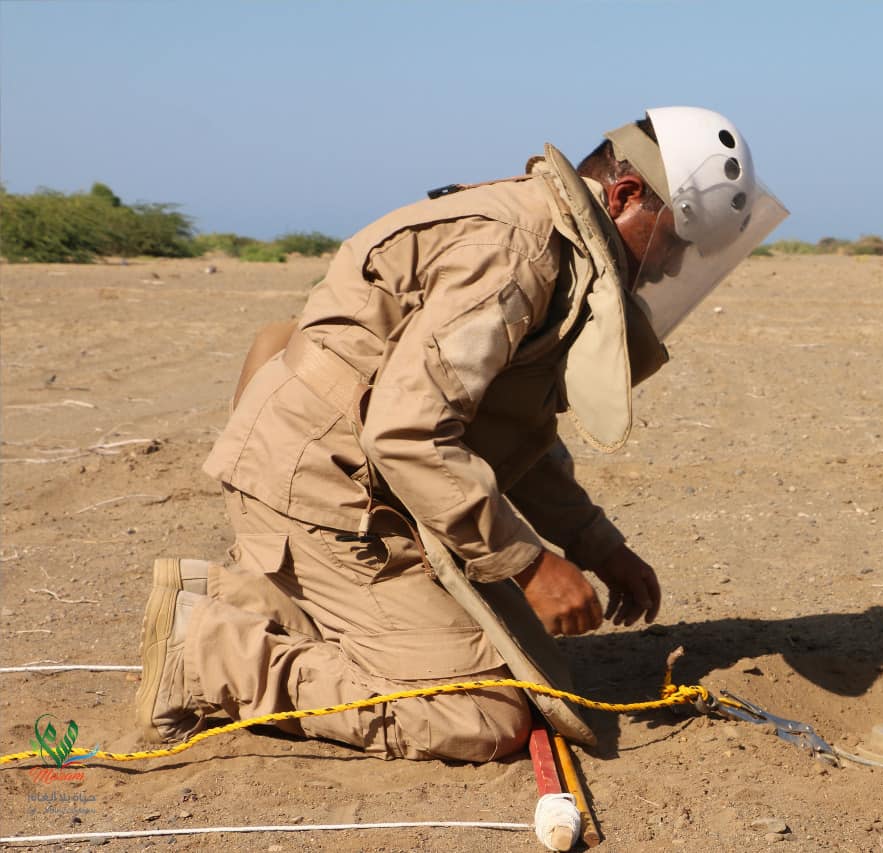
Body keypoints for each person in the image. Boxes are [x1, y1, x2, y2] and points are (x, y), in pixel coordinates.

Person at [136, 107, 786, 762]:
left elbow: (508, 431)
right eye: (673, 240)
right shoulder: (519, 250)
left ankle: (233, 595)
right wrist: (527, 563)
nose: (671, 267)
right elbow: (407, 433)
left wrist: (593, 542)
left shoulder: (550, 242)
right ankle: (203, 657)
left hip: (353, 478)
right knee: (486, 709)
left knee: (520, 662)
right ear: (623, 196)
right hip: (326, 488)